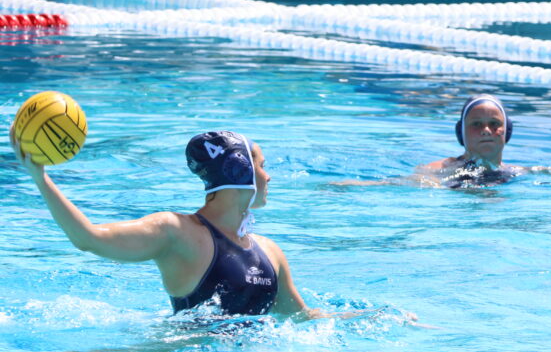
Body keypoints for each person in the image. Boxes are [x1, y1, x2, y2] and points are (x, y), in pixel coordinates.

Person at [10, 129, 368, 320]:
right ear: (239, 168)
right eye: (262, 164)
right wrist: (41, 179)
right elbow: (88, 239)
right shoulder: (175, 232)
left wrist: (372, 318)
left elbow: (301, 318)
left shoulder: (270, 253)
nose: (269, 176)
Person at [334, 94, 551, 188]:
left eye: (493, 124)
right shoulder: (443, 169)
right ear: (462, 134)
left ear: (506, 132)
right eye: (476, 125)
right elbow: (402, 183)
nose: (486, 130)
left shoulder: (515, 171)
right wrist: (357, 186)